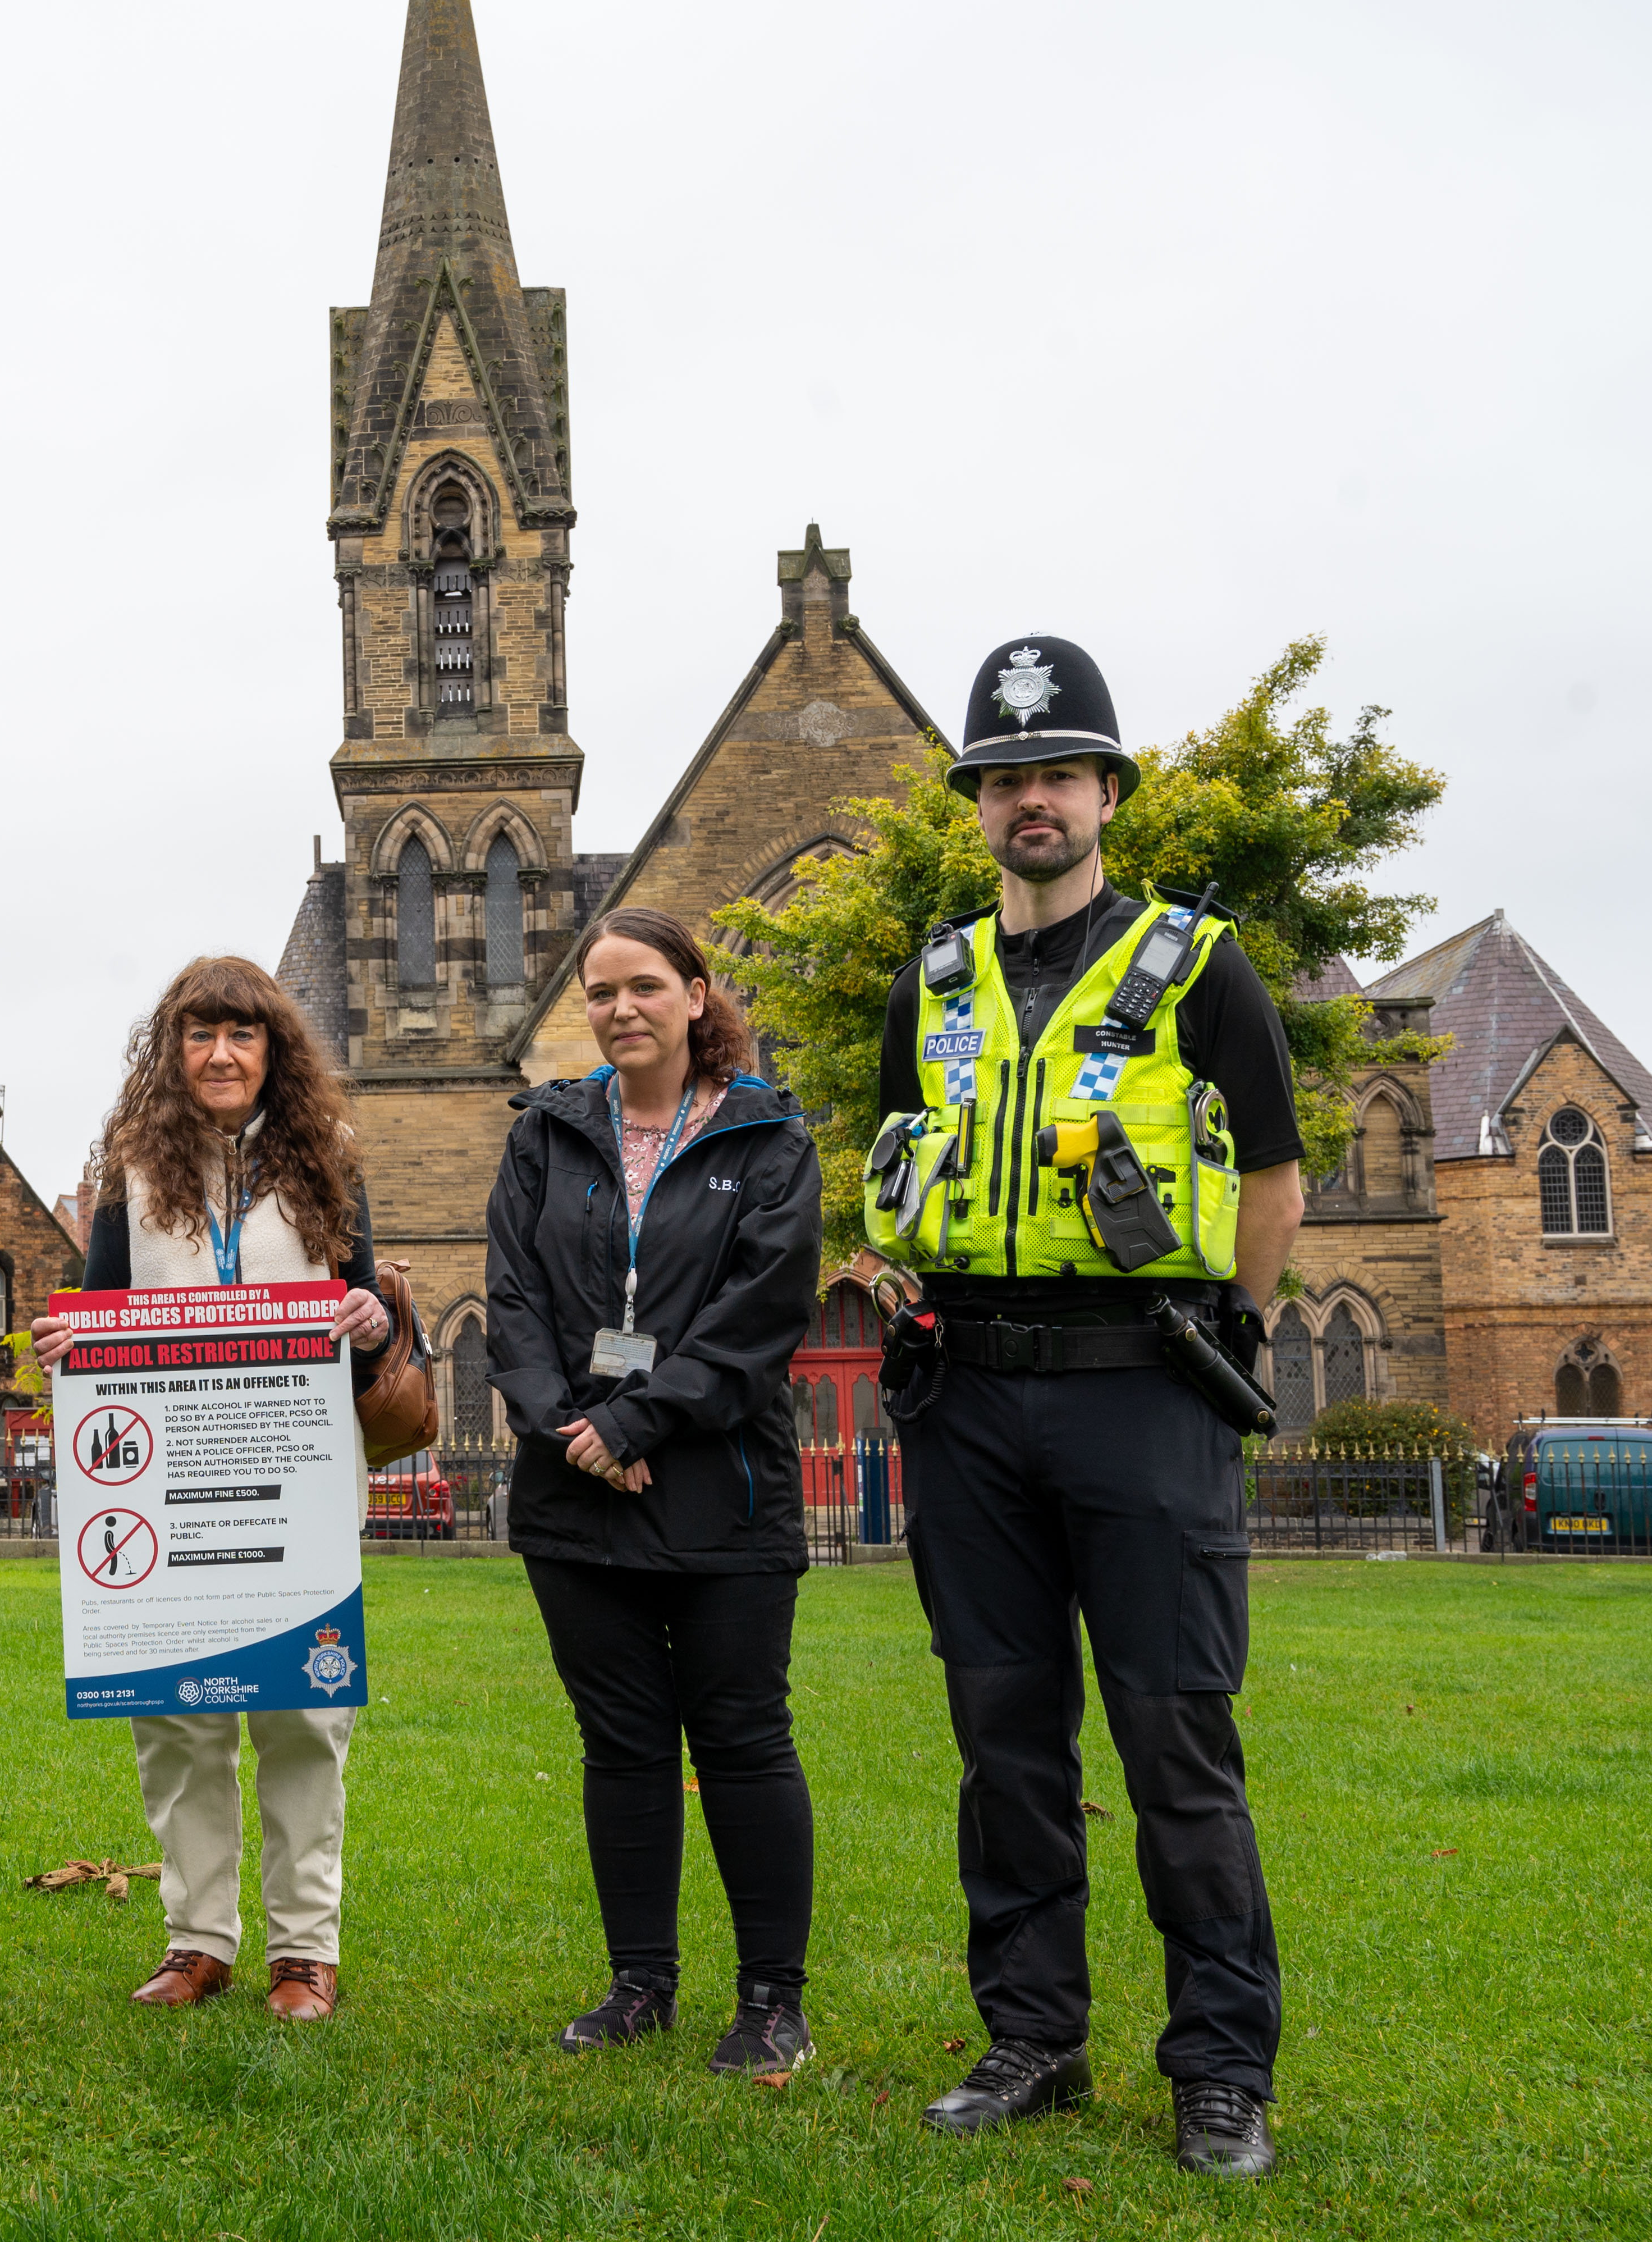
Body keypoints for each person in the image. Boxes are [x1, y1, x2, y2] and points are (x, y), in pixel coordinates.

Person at [864, 636, 1306, 2179]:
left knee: (1171, 1739)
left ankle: (1218, 2070)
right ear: (974, 805)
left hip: (1140, 1389)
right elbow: (897, 1155)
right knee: (1003, 1739)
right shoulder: (933, 979)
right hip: (969, 1396)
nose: (1026, 800)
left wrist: (1232, 1330)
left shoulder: (1196, 962)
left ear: (1106, 791)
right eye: (999, 779)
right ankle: (1033, 2038)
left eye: (1054, 771)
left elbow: (1269, 1165)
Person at [483, 906, 824, 2080]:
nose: (619, 1007)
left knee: (739, 1738)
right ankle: (640, 1983)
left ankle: (770, 2000)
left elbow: (760, 1313)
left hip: (718, 1486)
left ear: (694, 993)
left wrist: (634, 1418)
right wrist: (569, 1428)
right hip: (574, 1492)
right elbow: (511, 1300)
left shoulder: (767, 1135)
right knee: (620, 1741)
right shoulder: (546, 1131)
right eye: (598, 991)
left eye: (642, 985)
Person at [29, 957, 393, 2022]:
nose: (221, 1053)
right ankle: (197, 1941)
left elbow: (365, 1314)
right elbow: (95, 1319)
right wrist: (65, 1339)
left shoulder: (325, 1163)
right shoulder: (131, 1172)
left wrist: (367, 1322)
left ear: (273, 1048)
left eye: (243, 1034)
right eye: (200, 1034)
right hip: (166, 1494)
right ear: (172, 1049)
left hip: (296, 1484)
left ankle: (303, 1952)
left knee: (302, 1718)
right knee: (178, 1725)